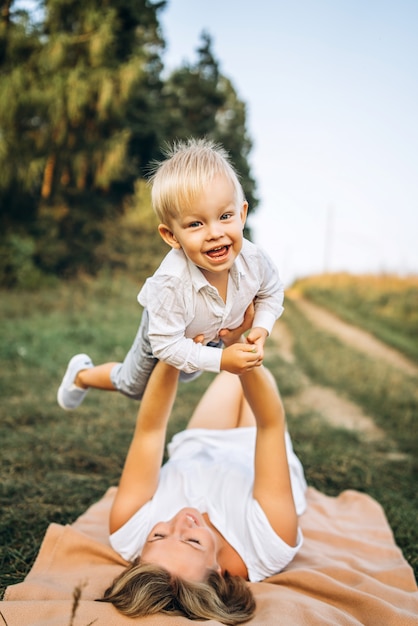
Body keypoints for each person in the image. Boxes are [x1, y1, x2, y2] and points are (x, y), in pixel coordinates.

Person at [99, 323, 307, 625]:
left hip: (200, 446)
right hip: (255, 444)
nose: (182, 520)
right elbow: (270, 423)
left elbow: (150, 430)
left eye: (159, 535)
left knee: (230, 375)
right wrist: (239, 341)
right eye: (193, 541)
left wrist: (173, 351)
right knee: (248, 367)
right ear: (219, 573)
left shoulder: (128, 532)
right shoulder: (268, 546)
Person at [57, 138, 284, 410]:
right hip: (167, 327)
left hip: (206, 333)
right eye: (196, 224)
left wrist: (261, 327)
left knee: (186, 374)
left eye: (225, 216)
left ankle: (191, 358)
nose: (215, 233)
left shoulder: (254, 260)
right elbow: (166, 346)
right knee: (135, 385)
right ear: (171, 235)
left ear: (242, 214)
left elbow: (271, 291)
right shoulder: (171, 283)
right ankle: (82, 375)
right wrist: (221, 360)